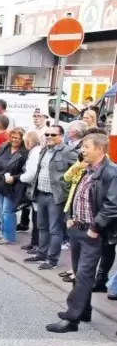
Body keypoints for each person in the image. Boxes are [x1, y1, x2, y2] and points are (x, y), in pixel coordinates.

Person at [47, 133, 117, 333]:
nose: (82, 150)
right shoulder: (88, 169)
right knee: (79, 274)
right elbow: (76, 194)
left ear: (100, 150)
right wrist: (69, 215)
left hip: (92, 233)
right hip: (78, 229)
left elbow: (113, 205)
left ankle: (72, 319)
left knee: (84, 275)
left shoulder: (111, 172)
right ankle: (83, 311)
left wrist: (95, 228)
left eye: (86, 147)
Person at [22, 125, 77, 269]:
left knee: (55, 229)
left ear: (61, 136)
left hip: (56, 196)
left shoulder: (67, 152)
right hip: (41, 193)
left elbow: (80, 167)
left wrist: (67, 186)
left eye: (53, 135)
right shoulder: (44, 149)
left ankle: (52, 260)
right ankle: (41, 253)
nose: (49, 137)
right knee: (41, 226)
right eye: (47, 135)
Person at [0, 127, 28, 245]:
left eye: (17, 138)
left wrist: (14, 178)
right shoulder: (4, 146)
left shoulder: (24, 152)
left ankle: (10, 237)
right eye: (12, 137)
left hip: (12, 186)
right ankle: (3, 233)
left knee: (8, 211)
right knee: (2, 210)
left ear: (22, 139)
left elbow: (25, 171)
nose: (14, 140)